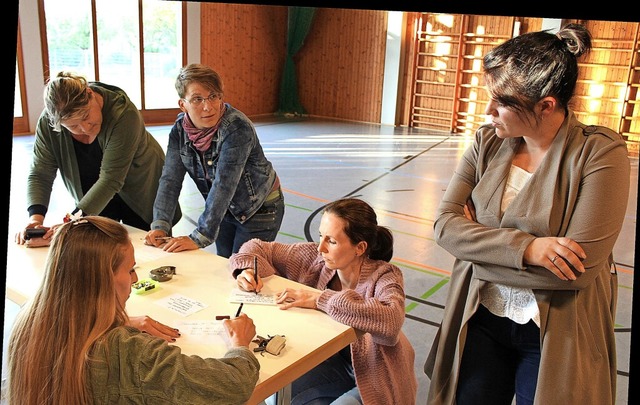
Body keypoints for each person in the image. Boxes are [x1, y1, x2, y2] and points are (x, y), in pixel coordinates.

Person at [424, 23, 630, 405]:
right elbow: (444, 226)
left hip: (554, 330)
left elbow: (577, 272)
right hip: (480, 315)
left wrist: (474, 246)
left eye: (501, 102)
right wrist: (530, 250)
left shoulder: (601, 154)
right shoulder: (486, 143)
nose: (487, 112)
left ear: (545, 105)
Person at [6, 215, 260, 404]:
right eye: (129, 270)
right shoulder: (130, 352)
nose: (135, 279)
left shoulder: (29, 319)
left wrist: (118, 321)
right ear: (102, 280)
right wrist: (239, 344)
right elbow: (233, 385)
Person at [229, 198, 417, 405]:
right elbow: (257, 247)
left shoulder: (385, 275)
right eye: (321, 236)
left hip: (374, 375)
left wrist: (320, 299)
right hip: (329, 364)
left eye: (332, 241)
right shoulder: (316, 260)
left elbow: (391, 320)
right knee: (261, 390)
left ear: (360, 247)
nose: (320, 248)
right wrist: (246, 269)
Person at [15, 71, 182, 245]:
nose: (85, 128)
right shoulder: (49, 123)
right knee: (99, 254)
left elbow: (111, 180)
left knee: (151, 251)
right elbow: (40, 173)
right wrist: (35, 219)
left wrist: (70, 223)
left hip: (140, 187)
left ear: (90, 93)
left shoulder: (124, 114)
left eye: (86, 116)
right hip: (95, 194)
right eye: (72, 125)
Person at [143, 63, 284, 258]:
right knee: (224, 263)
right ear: (182, 104)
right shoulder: (179, 131)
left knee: (243, 270)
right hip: (224, 209)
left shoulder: (236, 128)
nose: (208, 106)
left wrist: (199, 236)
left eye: (213, 96)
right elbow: (170, 180)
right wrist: (160, 224)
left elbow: (224, 184)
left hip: (259, 209)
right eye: (197, 99)